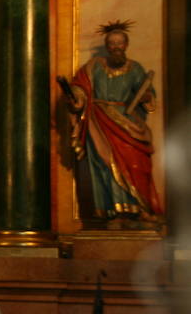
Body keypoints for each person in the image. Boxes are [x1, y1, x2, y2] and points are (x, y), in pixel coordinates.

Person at [66, 20, 163, 223]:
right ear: (107, 46)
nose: (116, 47)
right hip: (99, 121)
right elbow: (80, 88)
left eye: (120, 43)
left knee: (137, 163)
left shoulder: (135, 68)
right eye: (112, 43)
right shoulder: (95, 66)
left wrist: (146, 96)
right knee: (104, 164)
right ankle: (110, 210)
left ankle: (138, 207)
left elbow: (147, 94)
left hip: (127, 121)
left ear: (126, 45)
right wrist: (77, 97)